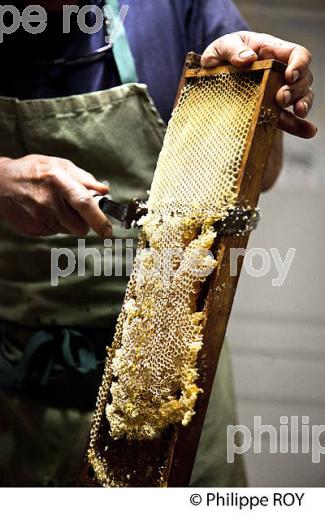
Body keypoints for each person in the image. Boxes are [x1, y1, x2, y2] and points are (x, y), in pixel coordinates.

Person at [0, 0, 316, 487]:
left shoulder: (176, 6)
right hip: (22, 409)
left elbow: (262, 174)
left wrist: (250, 91)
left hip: (177, 379)